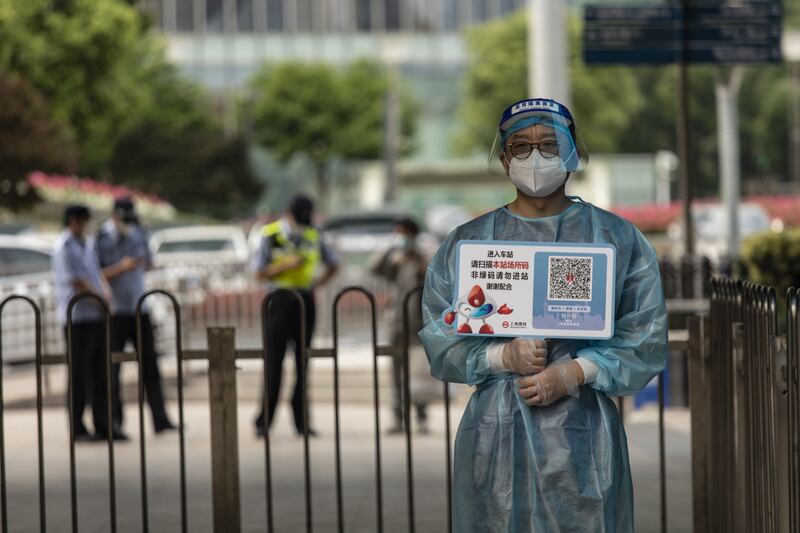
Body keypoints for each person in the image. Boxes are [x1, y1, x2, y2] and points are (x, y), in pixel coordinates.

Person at [418, 98, 668, 532]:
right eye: (522, 146)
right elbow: (442, 336)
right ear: (504, 158)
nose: (536, 157)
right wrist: (501, 358)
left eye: (550, 145)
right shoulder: (468, 246)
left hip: (585, 442)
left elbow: (645, 336)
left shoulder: (616, 239)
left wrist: (577, 371)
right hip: (494, 438)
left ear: (572, 153)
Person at [252, 195, 339, 437]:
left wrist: (317, 284)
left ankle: (302, 421)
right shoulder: (270, 234)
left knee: (303, 363)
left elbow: (334, 263)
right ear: (288, 213)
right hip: (278, 301)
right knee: (274, 363)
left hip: (304, 300)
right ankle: (264, 421)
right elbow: (258, 273)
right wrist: (284, 266)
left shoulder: (313, 233)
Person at [95, 197, 176, 434]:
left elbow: (149, 263)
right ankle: (115, 420)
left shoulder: (139, 232)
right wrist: (122, 266)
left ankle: (160, 419)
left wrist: (135, 236)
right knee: (112, 369)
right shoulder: (102, 237)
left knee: (151, 366)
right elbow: (97, 273)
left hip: (140, 308)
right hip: (116, 310)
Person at [53, 204, 126, 441]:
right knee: (79, 375)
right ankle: (78, 427)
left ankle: (104, 425)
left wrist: (106, 298)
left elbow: (95, 274)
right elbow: (77, 282)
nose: (87, 226)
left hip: (95, 316)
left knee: (100, 373)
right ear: (74, 221)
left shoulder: (87, 243)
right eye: (84, 221)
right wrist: (100, 302)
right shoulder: (64, 246)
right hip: (78, 319)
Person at [369, 217, 434, 434]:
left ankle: (422, 415)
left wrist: (422, 262)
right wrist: (389, 249)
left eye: (402, 233)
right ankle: (399, 416)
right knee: (396, 371)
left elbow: (436, 281)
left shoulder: (423, 257)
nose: (400, 238)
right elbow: (373, 268)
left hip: (419, 323)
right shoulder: (394, 258)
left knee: (419, 369)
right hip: (397, 322)